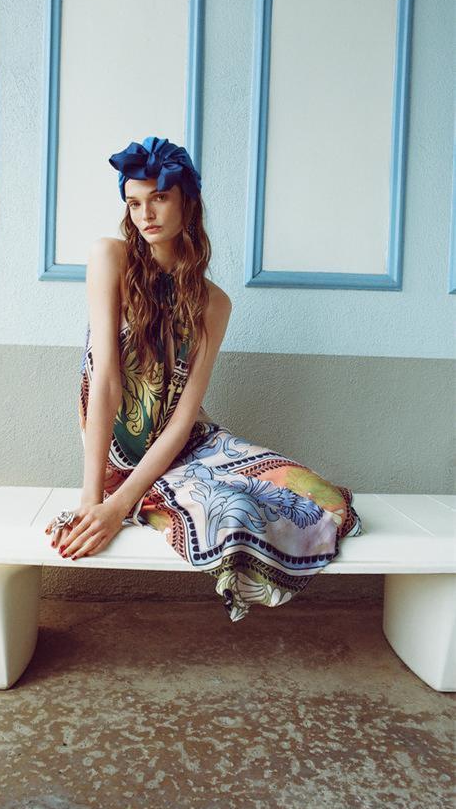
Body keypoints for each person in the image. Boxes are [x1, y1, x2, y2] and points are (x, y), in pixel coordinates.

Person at [45, 135, 363, 622]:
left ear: (187, 202)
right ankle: (149, 497)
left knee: (315, 495)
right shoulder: (110, 256)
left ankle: (167, 495)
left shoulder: (214, 303)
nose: (145, 214)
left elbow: (184, 417)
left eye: (159, 197)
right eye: (134, 202)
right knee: (231, 512)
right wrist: (96, 502)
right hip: (117, 451)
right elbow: (105, 378)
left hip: (190, 442)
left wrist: (119, 507)